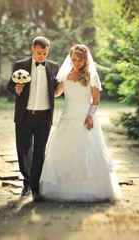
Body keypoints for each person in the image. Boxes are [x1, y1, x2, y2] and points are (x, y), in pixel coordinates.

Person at [39, 44, 122, 202]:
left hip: (85, 116)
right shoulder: (66, 74)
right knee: (65, 151)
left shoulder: (91, 76)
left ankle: (89, 190)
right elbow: (56, 93)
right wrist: (46, 83)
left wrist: (90, 116)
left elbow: (96, 100)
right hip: (68, 116)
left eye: (80, 60)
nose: (77, 63)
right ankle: (63, 190)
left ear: (85, 60)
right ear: (70, 59)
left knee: (85, 152)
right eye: (74, 60)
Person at [7, 36, 59, 201]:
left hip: (44, 116)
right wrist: (17, 89)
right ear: (32, 49)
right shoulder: (20, 65)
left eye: (45, 53)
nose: (42, 57)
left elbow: (57, 89)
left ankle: (36, 187)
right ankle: (27, 183)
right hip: (25, 115)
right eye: (39, 53)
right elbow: (10, 87)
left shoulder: (54, 67)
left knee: (39, 153)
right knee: (24, 151)